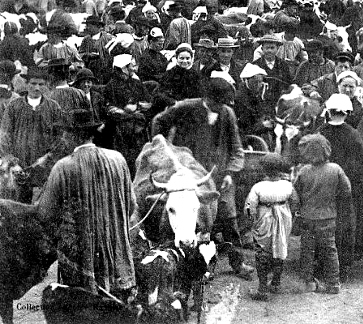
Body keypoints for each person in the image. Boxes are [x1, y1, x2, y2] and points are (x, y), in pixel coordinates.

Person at [151, 77, 254, 280]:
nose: (221, 107)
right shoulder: (186, 107)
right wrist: (163, 149)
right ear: (207, 98)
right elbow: (158, 122)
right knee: (180, 219)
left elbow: (237, 148)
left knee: (228, 216)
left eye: (224, 103)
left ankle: (237, 262)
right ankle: (178, 266)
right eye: (218, 102)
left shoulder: (227, 113)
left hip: (218, 175)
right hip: (187, 174)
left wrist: (230, 173)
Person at [37, 109, 136, 302]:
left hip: (80, 259)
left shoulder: (63, 166)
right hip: (116, 254)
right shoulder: (118, 159)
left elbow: (45, 213)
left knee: (81, 309)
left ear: (72, 135)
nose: (63, 138)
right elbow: (130, 206)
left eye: (65, 133)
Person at [317, 94, 363, 276]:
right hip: (349, 186)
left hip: (325, 184)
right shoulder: (353, 134)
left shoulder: (320, 132)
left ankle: (322, 261)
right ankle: (343, 264)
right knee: (345, 224)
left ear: (329, 111)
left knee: (324, 222)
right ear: (347, 113)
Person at [294, 134, 353, 294]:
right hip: (328, 218)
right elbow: (347, 190)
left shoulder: (303, 171)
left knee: (307, 251)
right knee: (330, 251)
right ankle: (333, 283)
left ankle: (308, 283)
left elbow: (295, 193)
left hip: (307, 218)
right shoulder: (336, 169)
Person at [0, 66, 61, 203]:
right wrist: (12, 162)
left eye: (41, 84)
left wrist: (48, 158)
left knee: (43, 208)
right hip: (18, 168)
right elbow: (4, 136)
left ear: (45, 85)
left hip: (44, 167)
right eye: (33, 83)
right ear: (27, 84)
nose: (37, 87)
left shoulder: (53, 107)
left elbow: (60, 137)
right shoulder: (14, 106)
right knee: (19, 206)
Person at [244, 153, 299, 301]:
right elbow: (295, 202)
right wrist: (289, 216)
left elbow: (250, 207)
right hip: (283, 218)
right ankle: (276, 283)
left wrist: (251, 222)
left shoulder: (258, 187)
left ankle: (262, 289)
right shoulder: (288, 185)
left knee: (263, 251)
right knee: (280, 247)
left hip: (265, 218)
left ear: (264, 170)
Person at [102, 54, 151, 174]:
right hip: (119, 132)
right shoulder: (111, 86)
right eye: (131, 65)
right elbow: (110, 110)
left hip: (138, 130)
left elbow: (148, 103)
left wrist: (135, 107)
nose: (134, 68)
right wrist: (131, 113)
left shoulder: (136, 83)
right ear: (124, 68)